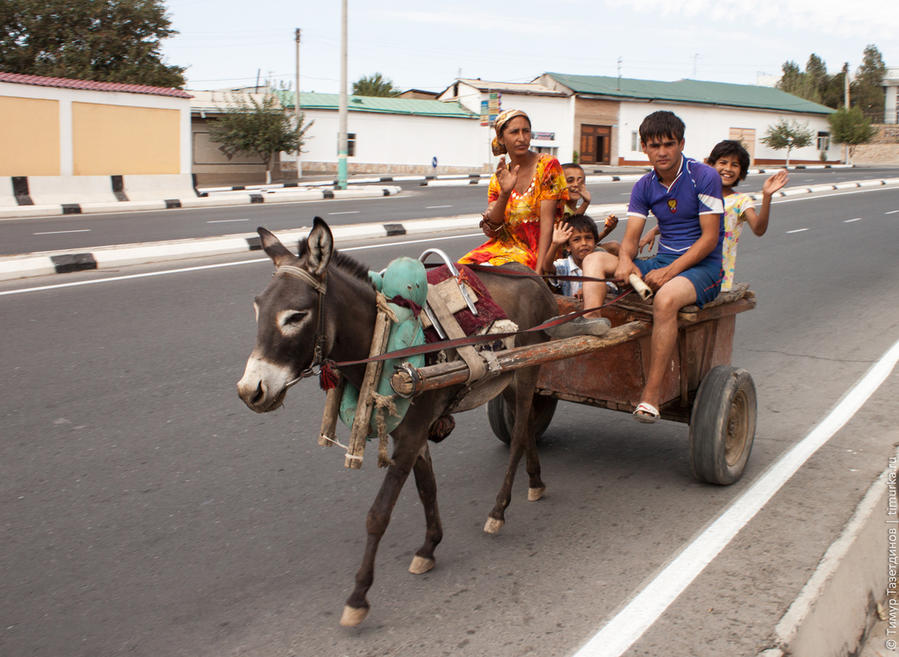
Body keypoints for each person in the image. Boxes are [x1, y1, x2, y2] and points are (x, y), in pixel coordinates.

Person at [576, 110, 725, 422]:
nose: (662, 152)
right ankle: (591, 326)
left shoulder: (704, 176)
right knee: (594, 258)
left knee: (666, 298)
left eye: (669, 144)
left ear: (681, 143)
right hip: (661, 261)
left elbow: (709, 239)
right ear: (643, 147)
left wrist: (669, 272)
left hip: (703, 268)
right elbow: (630, 237)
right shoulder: (644, 185)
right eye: (654, 145)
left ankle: (651, 395)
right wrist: (627, 261)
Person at [638, 139, 788, 291]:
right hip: (687, 264)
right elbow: (683, 219)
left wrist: (767, 196)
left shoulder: (740, 201)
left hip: (716, 271)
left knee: (718, 311)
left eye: (734, 165)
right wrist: (654, 231)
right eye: (723, 162)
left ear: (741, 173)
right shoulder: (700, 193)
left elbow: (759, 229)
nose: (728, 169)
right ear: (711, 166)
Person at [459, 109, 568, 275]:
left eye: (526, 131)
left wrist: (539, 272)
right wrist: (505, 193)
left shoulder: (547, 165)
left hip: (540, 251)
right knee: (460, 269)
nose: (522, 138)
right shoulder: (499, 178)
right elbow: (494, 226)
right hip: (504, 248)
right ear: (501, 138)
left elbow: (548, 222)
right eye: (514, 132)